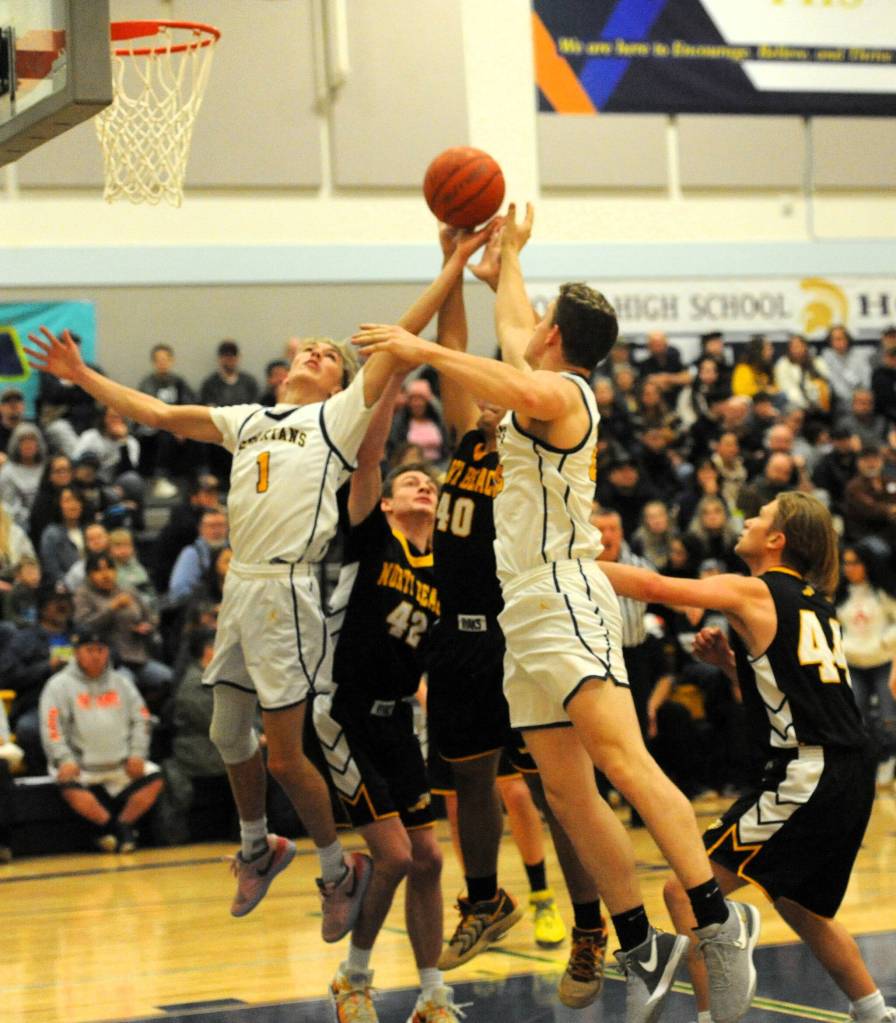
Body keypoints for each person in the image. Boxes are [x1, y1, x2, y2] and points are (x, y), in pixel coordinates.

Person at [354, 202, 759, 1023]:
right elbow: (512, 334)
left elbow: (511, 368)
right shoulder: (540, 366)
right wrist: (506, 259)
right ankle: (644, 944)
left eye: (538, 319)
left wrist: (418, 345)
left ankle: (719, 919)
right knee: (569, 794)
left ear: (555, 337)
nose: (528, 323)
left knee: (623, 759)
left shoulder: (565, 392)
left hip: (566, 592)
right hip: (522, 613)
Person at [26, 228, 488, 937]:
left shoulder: (334, 420)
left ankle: (338, 869)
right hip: (240, 587)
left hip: (287, 592)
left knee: (282, 752)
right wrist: (82, 374)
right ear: (282, 371)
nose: (319, 352)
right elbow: (153, 413)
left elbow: (400, 342)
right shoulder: (246, 419)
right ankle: (257, 845)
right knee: (224, 732)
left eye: (332, 355)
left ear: (340, 384)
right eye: (311, 347)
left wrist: (452, 261)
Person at [600, 492, 895, 1023]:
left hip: (810, 770)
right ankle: (875, 1012)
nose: (747, 521)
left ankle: (714, 1018)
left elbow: (654, 587)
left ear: (777, 540)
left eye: (758, 516)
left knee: (686, 891)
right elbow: (795, 699)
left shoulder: (755, 589)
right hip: (845, 769)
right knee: (801, 907)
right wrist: (731, 666)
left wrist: (572, 565)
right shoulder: (814, 603)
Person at [425, 224, 605, 1009]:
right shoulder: (473, 440)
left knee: (560, 789)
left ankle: (591, 925)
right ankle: (485, 900)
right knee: (471, 782)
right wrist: (453, 265)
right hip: (458, 638)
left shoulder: (537, 437)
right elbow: (466, 349)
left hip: (522, 624)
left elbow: (510, 360)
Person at [39, 628, 163, 853]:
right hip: (80, 766)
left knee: (155, 778)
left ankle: (122, 825)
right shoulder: (58, 685)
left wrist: (137, 753)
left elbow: (142, 719)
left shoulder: (122, 683)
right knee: (68, 785)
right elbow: (52, 727)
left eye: (101, 650)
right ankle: (117, 829)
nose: (96, 655)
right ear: (77, 653)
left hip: (121, 763)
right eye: (89, 650)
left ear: (108, 653)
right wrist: (64, 758)